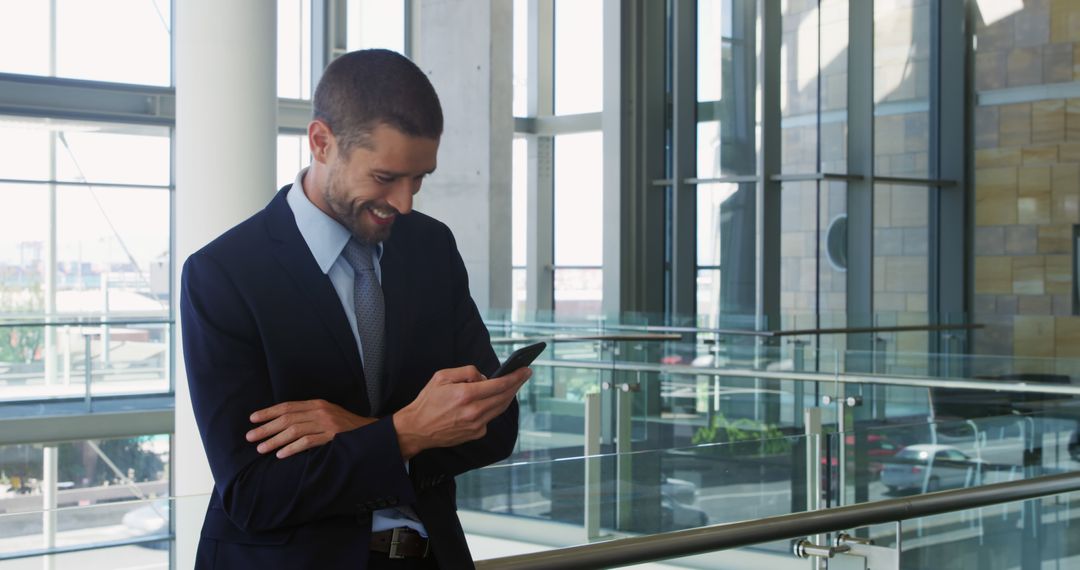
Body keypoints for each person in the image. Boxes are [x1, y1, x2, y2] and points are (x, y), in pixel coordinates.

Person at [180, 49, 530, 569]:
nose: (406, 202)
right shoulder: (224, 275)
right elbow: (255, 493)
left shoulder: (430, 247)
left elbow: (494, 426)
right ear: (322, 143)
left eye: (420, 178)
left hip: (427, 556)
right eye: (386, 177)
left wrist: (364, 431)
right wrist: (405, 432)